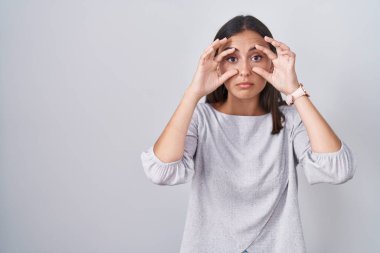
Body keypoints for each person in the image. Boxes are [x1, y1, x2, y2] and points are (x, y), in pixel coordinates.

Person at [140, 15, 357, 253]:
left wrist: (294, 90)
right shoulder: (201, 118)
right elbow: (161, 171)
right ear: (217, 63)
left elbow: (338, 169)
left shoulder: (290, 120)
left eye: (256, 57)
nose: (244, 70)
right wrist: (193, 93)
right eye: (232, 58)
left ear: (271, 63)